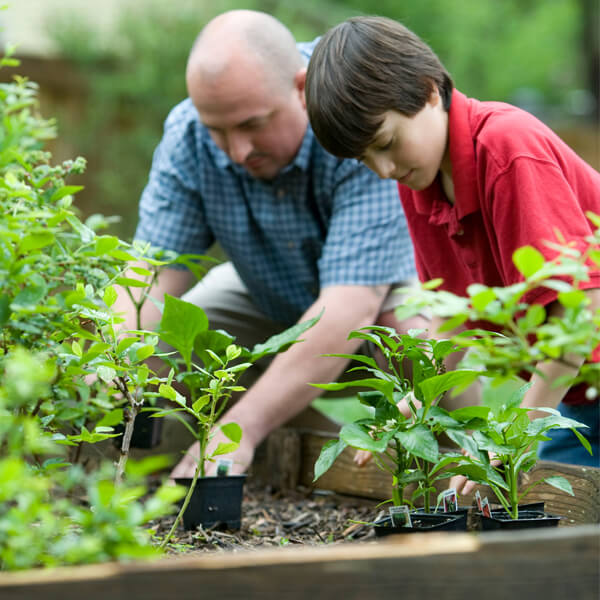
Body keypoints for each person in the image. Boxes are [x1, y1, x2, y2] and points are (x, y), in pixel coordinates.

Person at [118, 10, 424, 479]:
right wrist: (113, 359)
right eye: (218, 131)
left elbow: (349, 309)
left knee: (419, 340)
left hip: (379, 296)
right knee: (173, 336)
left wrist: (239, 427)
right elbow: (149, 277)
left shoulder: (352, 112)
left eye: (252, 125)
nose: (237, 151)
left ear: (301, 88)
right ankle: (303, 455)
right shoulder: (188, 135)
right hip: (266, 295)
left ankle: (442, 465)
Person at [304, 15, 600, 470]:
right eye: (365, 160)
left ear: (428, 90)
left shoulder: (506, 148)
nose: (382, 169)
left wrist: (511, 434)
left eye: (385, 143)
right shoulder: (417, 182)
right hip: (580, 394)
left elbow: (579, 310)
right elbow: (453, 318)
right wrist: (412, 406)